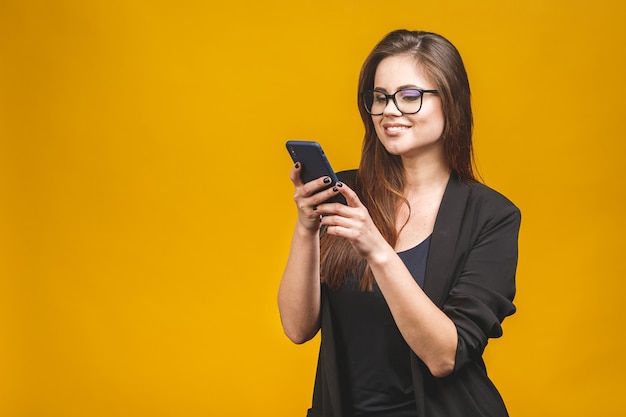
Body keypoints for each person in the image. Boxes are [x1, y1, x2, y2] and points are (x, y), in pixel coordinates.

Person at [278, 29, 521, 417]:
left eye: (409, 97)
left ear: (451, 103)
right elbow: (297, 328)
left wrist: (378, 250)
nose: (390, 110)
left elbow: (444, 356)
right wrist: (306, 228)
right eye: (379, 97)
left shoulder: (491, 216)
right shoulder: (347, 192)